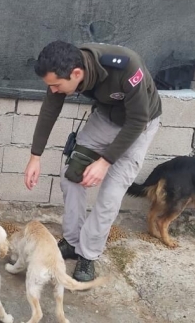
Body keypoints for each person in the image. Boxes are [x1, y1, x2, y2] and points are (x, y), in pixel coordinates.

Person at [25, 41, 161, 282]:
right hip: (104, 119)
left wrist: (105, 161)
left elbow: (138, 119)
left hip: (139, 126)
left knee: (110, 195)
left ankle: (88, 254)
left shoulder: (127, 67)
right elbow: (49, 110)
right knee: (71, 177)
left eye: (56, 85)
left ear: (76, 74)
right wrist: (35, 156)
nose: (53, 90)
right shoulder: (61, 70)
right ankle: (72, 240)